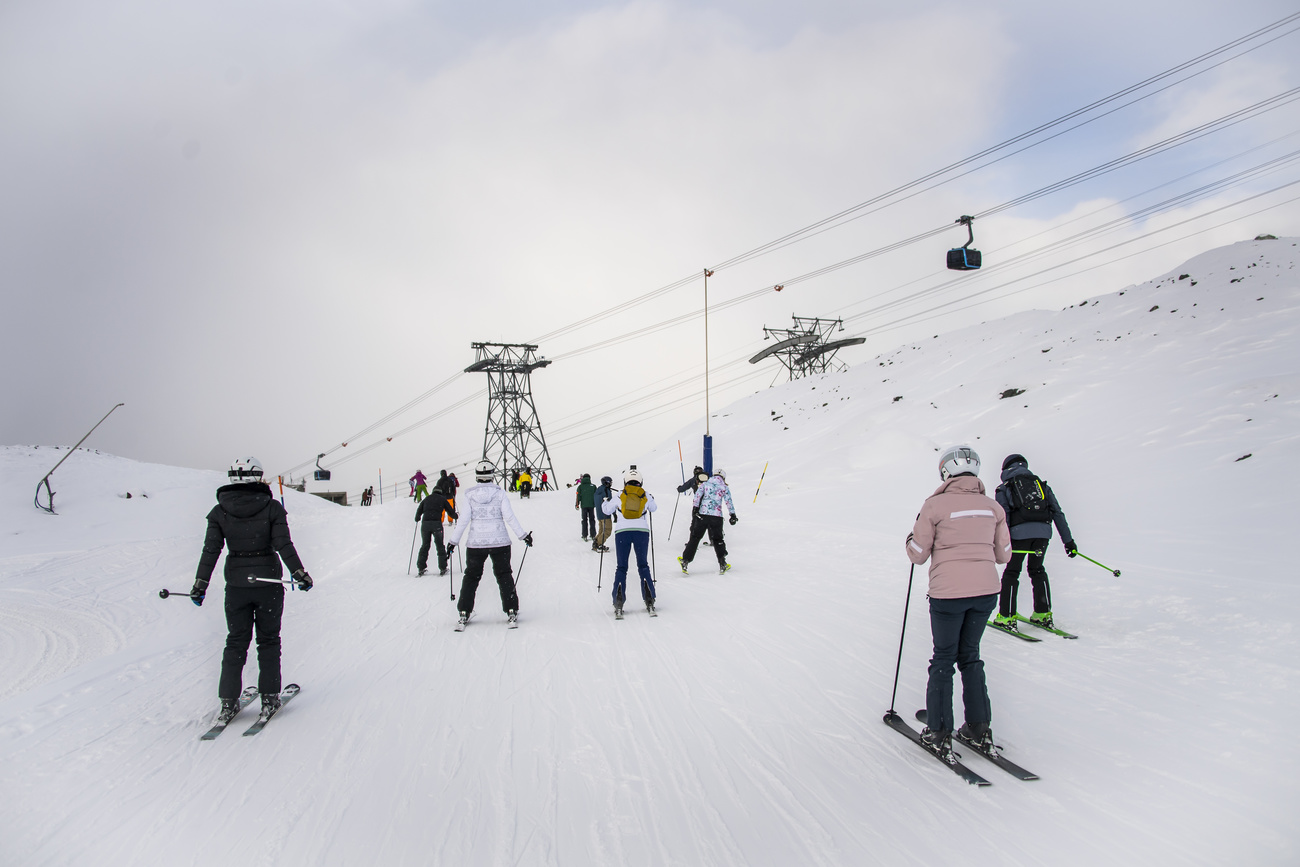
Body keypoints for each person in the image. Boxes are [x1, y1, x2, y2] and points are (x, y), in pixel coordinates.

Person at [905, 445, 1011, 758]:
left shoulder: (934, 506)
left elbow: (919, 554)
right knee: (971, 657)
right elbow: (1003, 554)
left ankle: (938, 730)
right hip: (985, 593)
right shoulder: (993, 507)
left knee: (943, 658)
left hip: (948, 594)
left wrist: (909, 541)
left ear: (945, 472)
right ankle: (978, 728)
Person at [191, 457, 313, 724]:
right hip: (267, 584)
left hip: (237, 586)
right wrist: (299, 573)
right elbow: (283, 544)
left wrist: (200, 584)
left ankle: (228, 701)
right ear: (256, 477)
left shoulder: (219, 511)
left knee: (235, 640)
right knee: (268, 640)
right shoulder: (271, 508)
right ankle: (269, 697)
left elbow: (210, 551)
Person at [993, 454, 1076, 630]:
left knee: (1012, 572)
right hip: (1043, 534)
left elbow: (1003, 517)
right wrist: (1068, 542)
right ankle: (1043, 614)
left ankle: (1006, 617)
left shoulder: (1004, 488)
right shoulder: (1041, 486)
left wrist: (1002, 542)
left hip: (1018, 536)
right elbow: (1057, 513)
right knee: (1037, 570)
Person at [446, 460, 533, 627]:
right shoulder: (499, 493)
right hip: (499, 541)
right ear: (492, 475)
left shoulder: (469, 495)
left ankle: (464, 611)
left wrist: (453, 542)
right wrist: (523, 536)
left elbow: (463, 520)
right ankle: (511, 610)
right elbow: (509, 517)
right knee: (504, 575)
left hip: (476, 543)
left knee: (471, 576)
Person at [600, 467, 658, 615]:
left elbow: (606, 510)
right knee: (643, 566)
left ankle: (618, 601)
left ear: (625, 480)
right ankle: (649, 599)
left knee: (621, 567)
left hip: (622, 532)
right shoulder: (645, 494)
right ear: (640, 481)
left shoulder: (620, 495)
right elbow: (654, 508)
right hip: (641, 532)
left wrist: (604, 501)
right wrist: (649, 498)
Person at [678, 469, 737, 574]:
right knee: (718, 539)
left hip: (702, 514)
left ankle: (686, 560)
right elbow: (729, 501)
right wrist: (732, 515)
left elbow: (697, 496)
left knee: (695, 538)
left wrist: (696, 508)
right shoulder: (724, 487)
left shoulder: (705, 484)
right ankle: (722, 562)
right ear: (723, 478)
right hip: (716, 516)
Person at [415, 483, 458, 576]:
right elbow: (450, 511)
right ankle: (443, 568)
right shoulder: (442, 499)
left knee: (425, 545)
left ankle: (421, 567)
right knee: (439, 546)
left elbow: (419, 510)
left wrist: (417, 517)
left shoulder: (427, 499)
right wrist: (456, 516)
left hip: (425, 524)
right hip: (436, 524)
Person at [592, 475, 615, 552]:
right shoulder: (606, 491)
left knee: (601, 530)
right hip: (606, 514)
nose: (611, 484)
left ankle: (596, 542)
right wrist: (614, 514)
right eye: (610, 482)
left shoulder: (598, 490)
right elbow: (610, 503)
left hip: (599, 514)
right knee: (607, 530)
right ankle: (598, 544)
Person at [575, 473, 597, 541]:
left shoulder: (580, 487)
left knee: (584, 520)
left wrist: (577, 504)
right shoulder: (593, 486)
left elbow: (578, 496)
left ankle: (584, 535)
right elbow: (596, 496)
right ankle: (593, 534)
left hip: (584, 506)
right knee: (592, 520)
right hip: (591, 506)